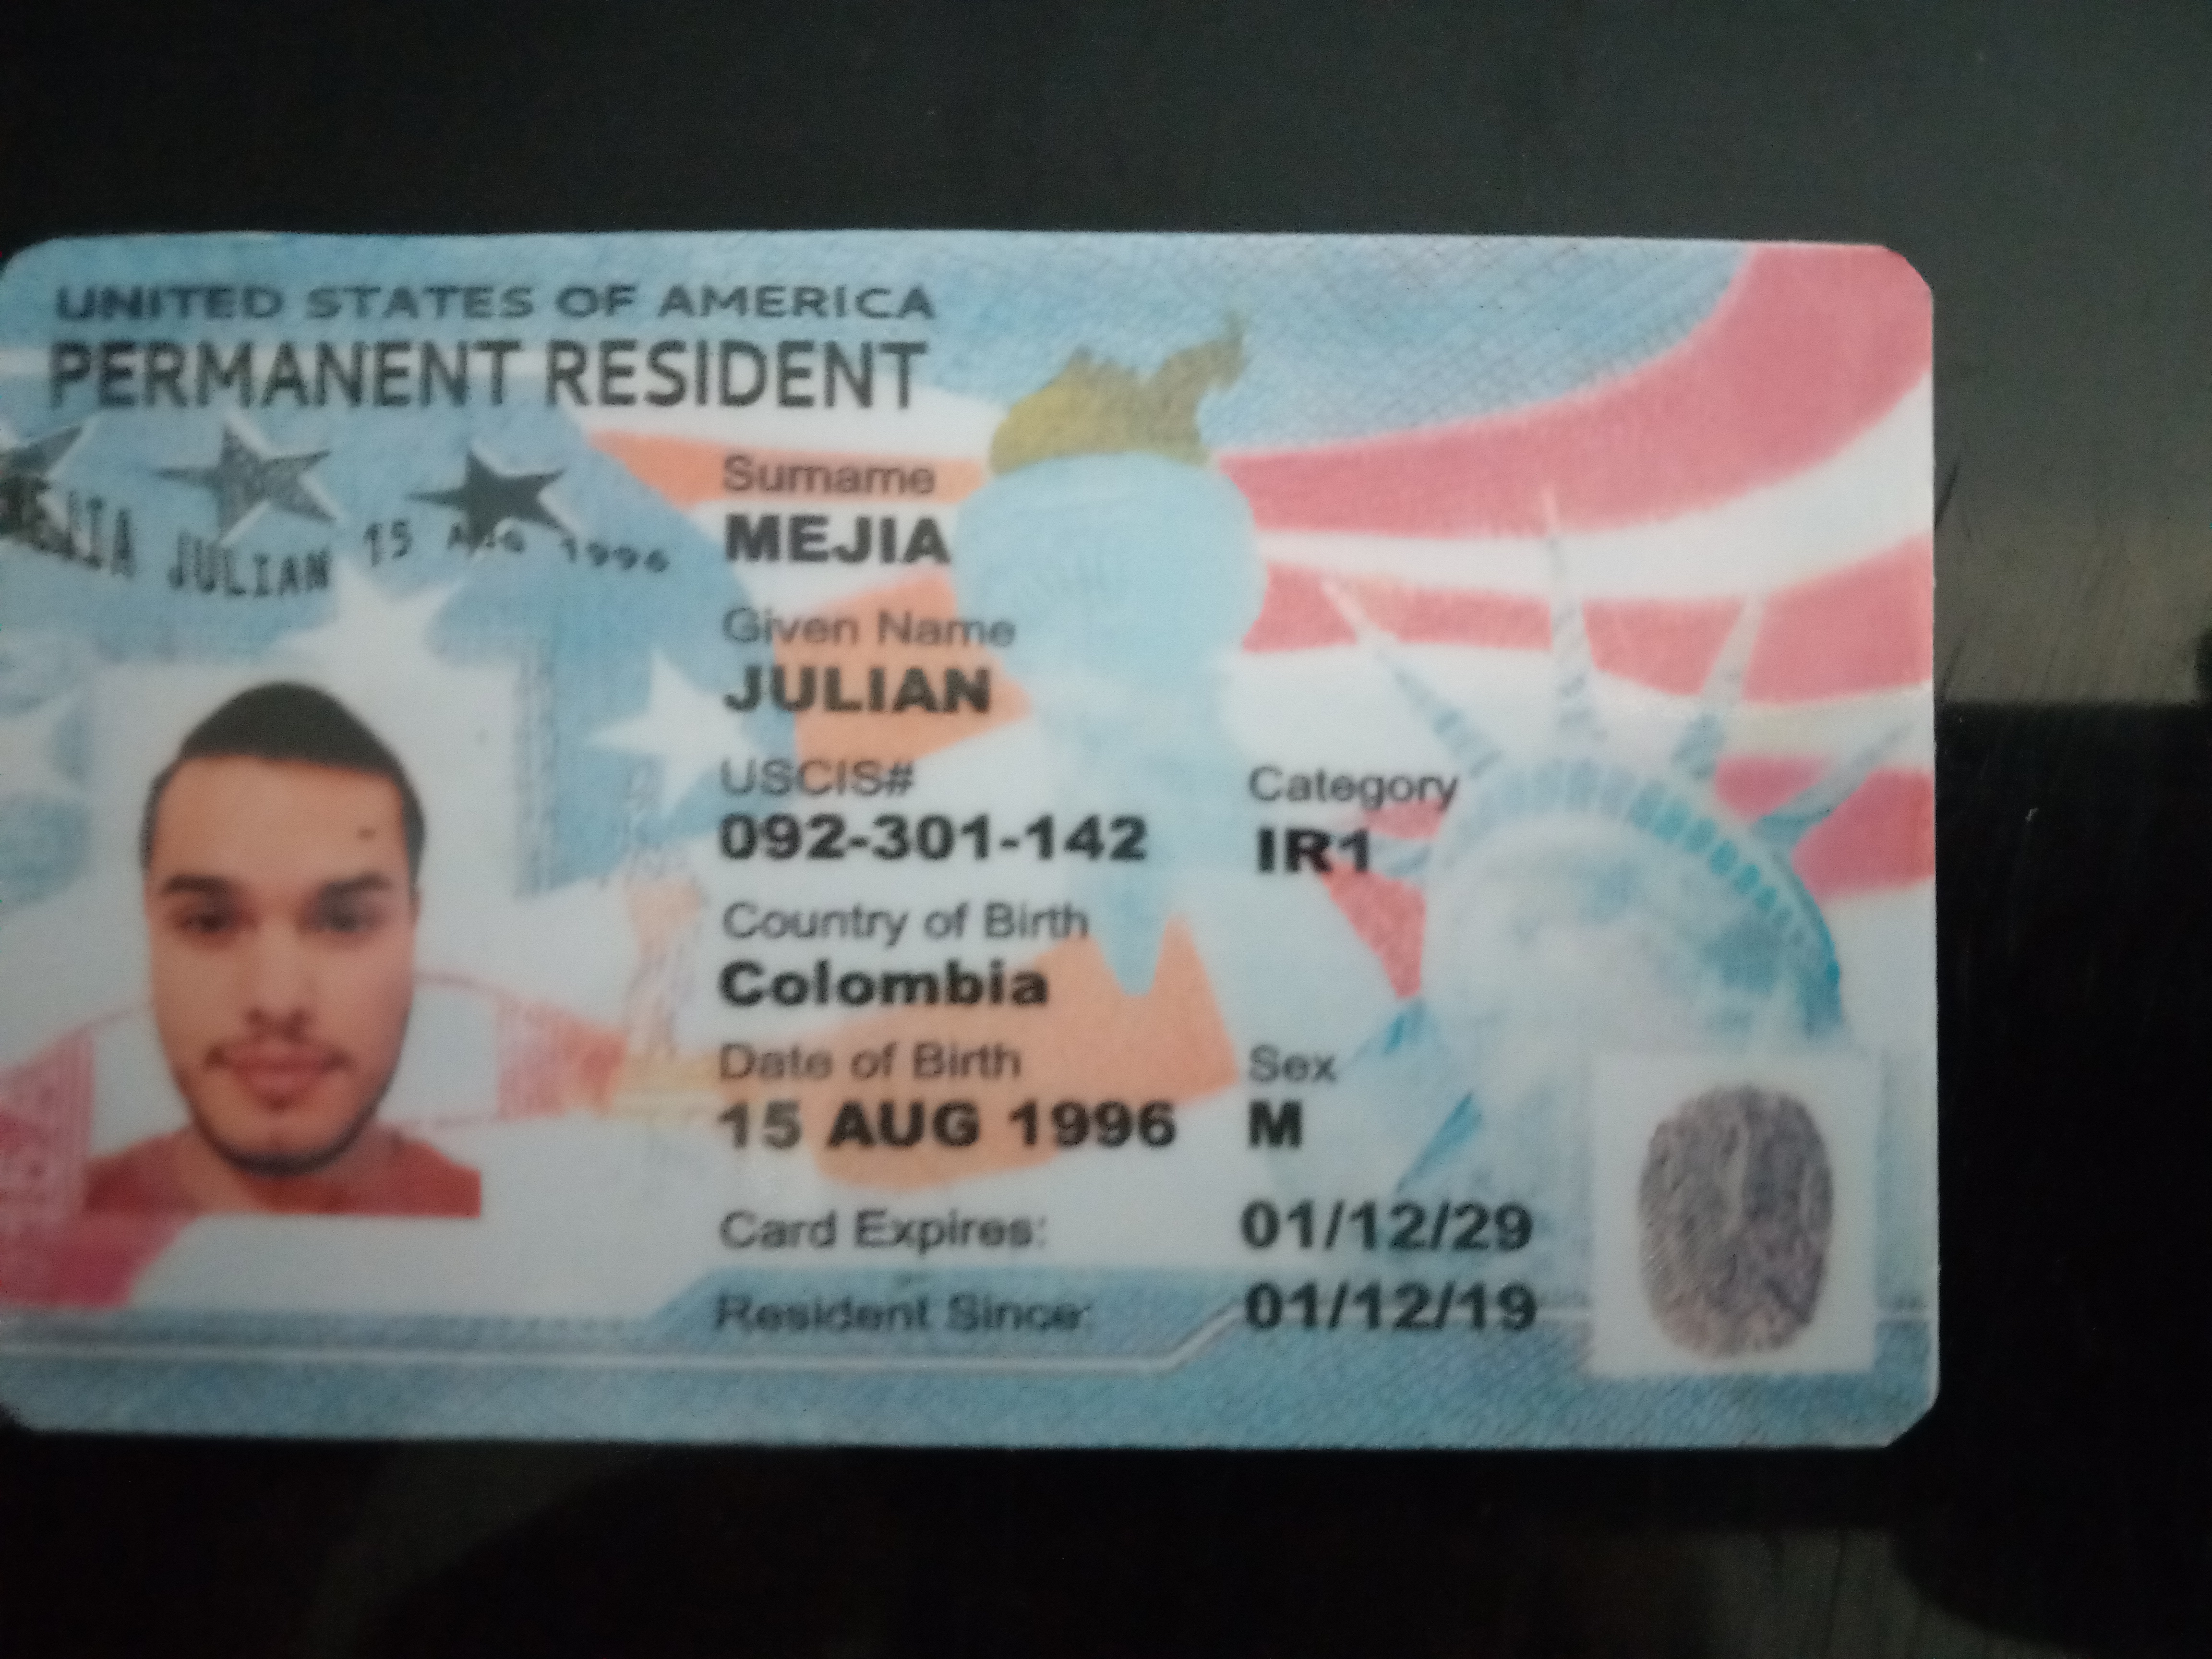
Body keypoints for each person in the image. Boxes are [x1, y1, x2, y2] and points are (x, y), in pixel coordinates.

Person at [86, 683, 479, 1217]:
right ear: (150, 928)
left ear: (413, 929)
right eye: (209, 922)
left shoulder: (509, 1232)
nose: (276, 1001)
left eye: (344, 922)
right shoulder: (37, 1220)